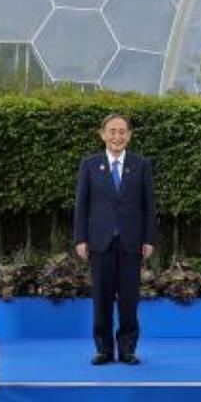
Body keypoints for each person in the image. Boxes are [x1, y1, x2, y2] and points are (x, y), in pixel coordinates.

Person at [74, 113, 157, 365]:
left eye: (122, 132)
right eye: (112, 131)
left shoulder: (141, 165)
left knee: (130, 300)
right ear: (102, 134)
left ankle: (128, 348)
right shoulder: (89, 165)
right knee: (101, 299)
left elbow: (148, 206)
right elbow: (82, 205)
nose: (117, 136)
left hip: (131, 243)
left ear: (129, 136)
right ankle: (104, 349)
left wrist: (149, 239)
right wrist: (81, 238)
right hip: (100, 243)